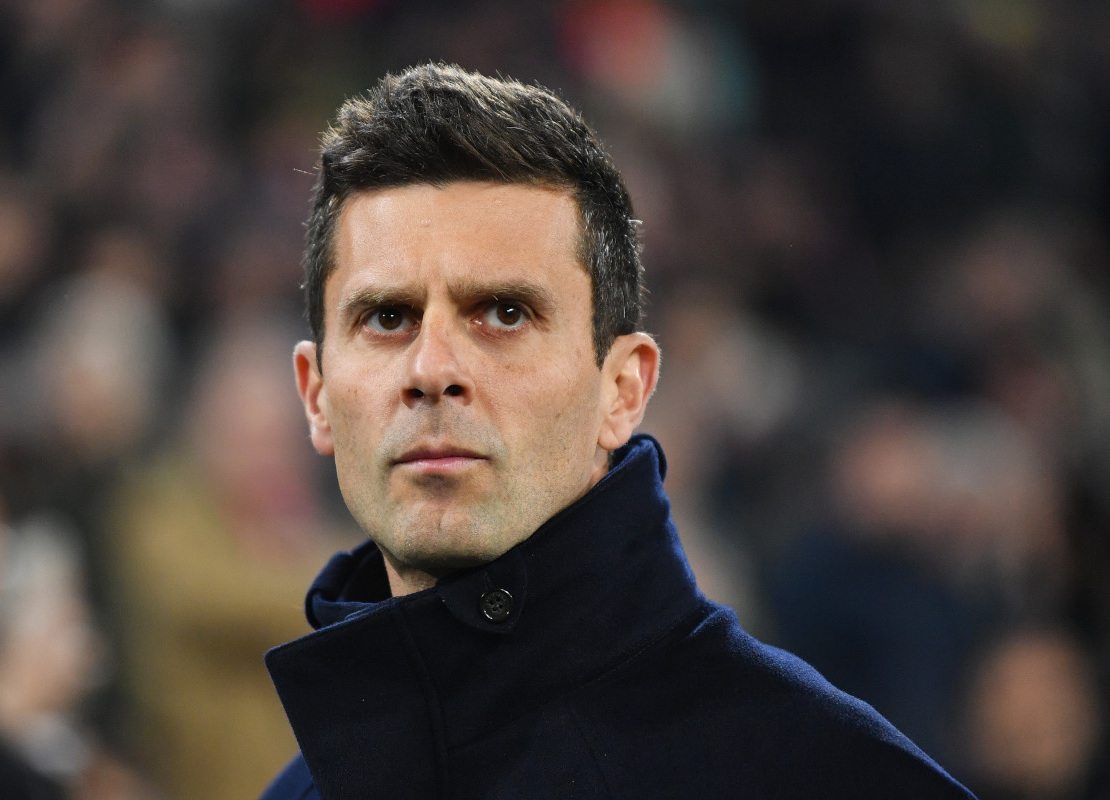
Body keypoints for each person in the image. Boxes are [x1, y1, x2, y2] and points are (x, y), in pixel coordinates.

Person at [260, 63, 976, 799]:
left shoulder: (827, 776)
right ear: (316, 397)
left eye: (505, 313)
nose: (433, 369)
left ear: (623, 390)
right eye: (387, 317)